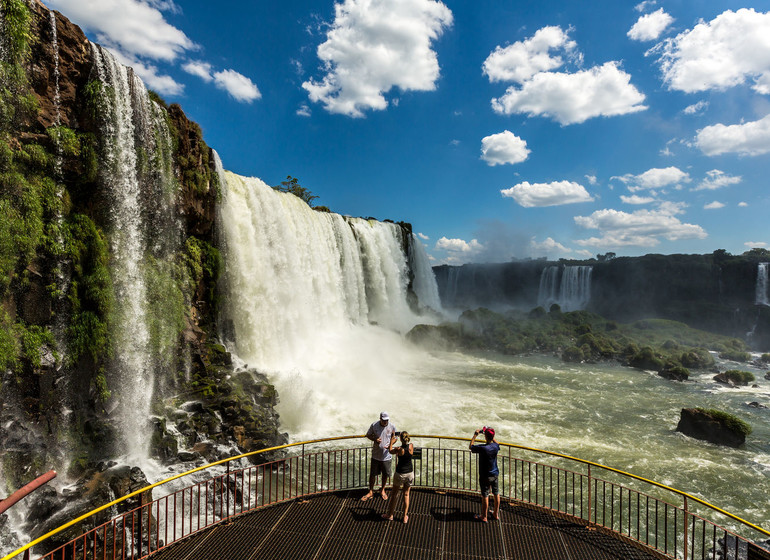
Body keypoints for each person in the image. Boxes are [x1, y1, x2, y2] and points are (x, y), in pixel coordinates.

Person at [361, 411, 396, 501]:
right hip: (376, 455)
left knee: (385, 475)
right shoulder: (374, 425)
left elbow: (394, 437)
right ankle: (371, 491)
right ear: (380, 419)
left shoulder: (392, 426)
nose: (385, 422)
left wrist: (391, 445)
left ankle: (382, 490)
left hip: (386, 456)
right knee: (373, 475)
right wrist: (375, 439)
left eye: (387, 420)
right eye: (384, 420)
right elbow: (368, 435)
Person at [381, 431, 414, 523]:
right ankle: (404, 517)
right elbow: (405, 450)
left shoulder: (399, 449)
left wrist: (391, 441)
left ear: (400, 439)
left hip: (400, 473)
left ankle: (390, 515)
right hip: (410, 473)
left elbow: (391, 451)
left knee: (394, 495)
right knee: (406, 494)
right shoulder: (411, 446)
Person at [469, 426, 500, 522]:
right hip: (495, 474)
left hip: (485, 475)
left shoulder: (483, 448)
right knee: (496, 493)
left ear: (486, 437)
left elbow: (471, 446)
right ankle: (495, 513)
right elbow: (497, 443)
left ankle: (484, 516)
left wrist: (475, 434)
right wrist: (489, 434)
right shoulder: (495, 446)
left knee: (485, 495)